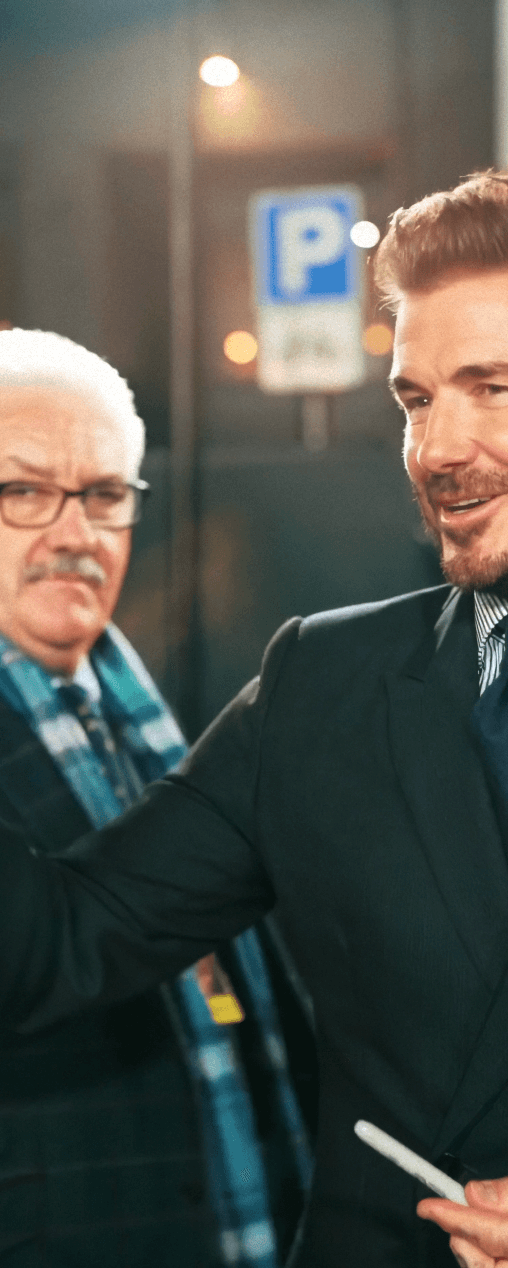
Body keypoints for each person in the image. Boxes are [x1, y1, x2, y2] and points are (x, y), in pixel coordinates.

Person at [0, 173, 508, 1268]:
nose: (434, 450)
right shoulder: (319, 683)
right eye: (416, 399)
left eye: (491, 389)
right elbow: (52, 944)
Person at [0, 330, 312, 1268]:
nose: (74, 532)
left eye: (104, 495)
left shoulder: (134, 718)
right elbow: (41, 952)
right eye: (21, 491)